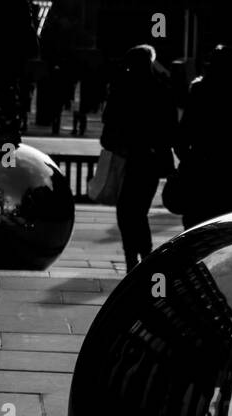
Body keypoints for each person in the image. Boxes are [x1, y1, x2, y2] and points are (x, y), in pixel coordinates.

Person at [100, 45, 178, 270]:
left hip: (126, 159)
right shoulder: (162, 89)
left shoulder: (121, 88)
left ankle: (132, 259)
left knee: (126, 212)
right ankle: (144, 258)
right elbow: (171, 130)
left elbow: (108, 131)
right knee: (139, 212)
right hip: (150, 161)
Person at [176, 45, 232, 229]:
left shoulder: (199, 92)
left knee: (197, 235)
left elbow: (182, 137)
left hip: (201, 177)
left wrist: (189, 163)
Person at [0, 0, 40, 140]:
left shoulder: (9, 8)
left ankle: (8, 127)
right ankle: (9, 127)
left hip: (8, 49)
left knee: (5, 89)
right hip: (13, 49)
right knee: (8, 89)